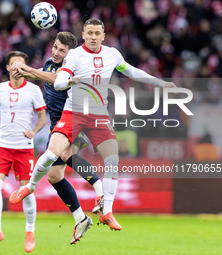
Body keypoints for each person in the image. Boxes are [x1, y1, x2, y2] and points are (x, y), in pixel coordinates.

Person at [10, 18, 177, 240]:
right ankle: (34, 189)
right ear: (84, 34)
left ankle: (106, 209)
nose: (94, 37)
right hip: (73, 114)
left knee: (111, 159)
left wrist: (162, 83)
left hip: (97, 115)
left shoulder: (112, 55)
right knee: (53, 164)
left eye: (97, 33)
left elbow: (133, 72)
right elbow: (56, 80)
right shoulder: (75, 56)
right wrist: (56, 77)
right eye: (90, 33)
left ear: (103, 35)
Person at [11, 32, 104, 215]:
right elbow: (46, 75)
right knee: (54, 176)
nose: (56, 53)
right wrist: (22, 71)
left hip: (75, 120)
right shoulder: (48, 64)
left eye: (62, 51)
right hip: (57, 125)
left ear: (70, 54)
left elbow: (56, 80)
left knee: (65, 154)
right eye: (55, 47)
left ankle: (101, 192)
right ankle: (80, 219)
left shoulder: (72, 68)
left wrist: (28, 69)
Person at [0, 51, 47, 252]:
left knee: (26, 192)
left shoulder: (33, 90)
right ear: (7, 67)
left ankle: (29, 232)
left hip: (24, 149)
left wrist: (33, 131)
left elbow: (42, 119)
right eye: (13, 65)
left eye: (21, 65)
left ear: (26, 68)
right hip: (3, 146)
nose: (17, 68)